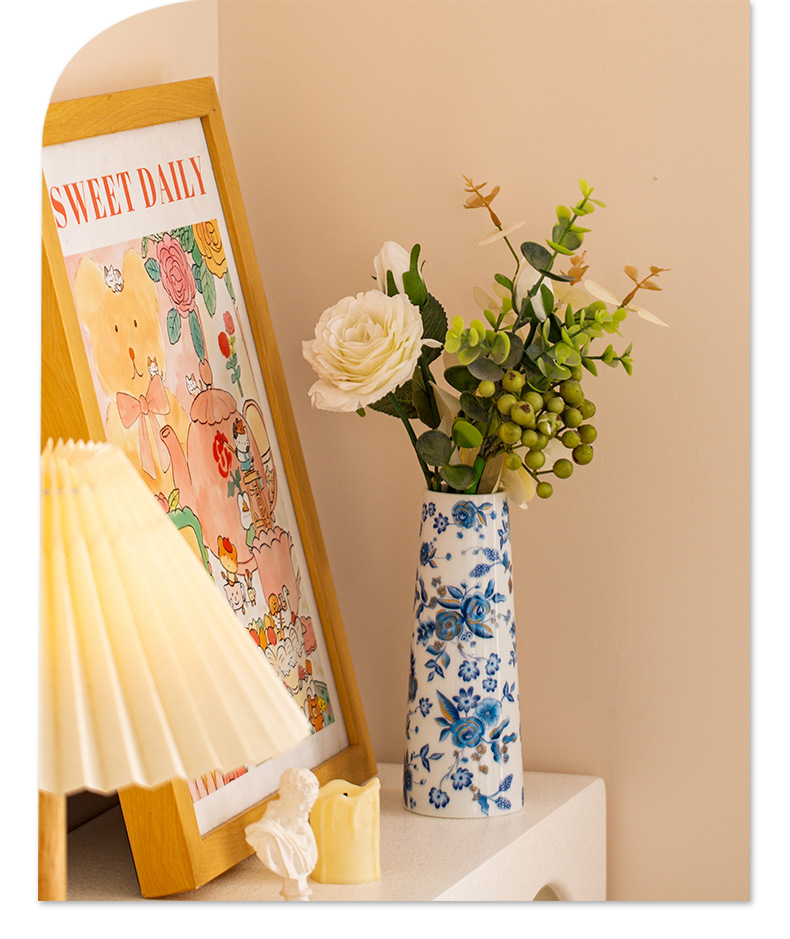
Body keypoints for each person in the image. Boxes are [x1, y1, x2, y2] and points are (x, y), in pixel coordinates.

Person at [245, 767, 320, 900]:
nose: (307, 810)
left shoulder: (303, 825)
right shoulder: (267, 833)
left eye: (310, 804)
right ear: (286, 796)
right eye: (303, 804)